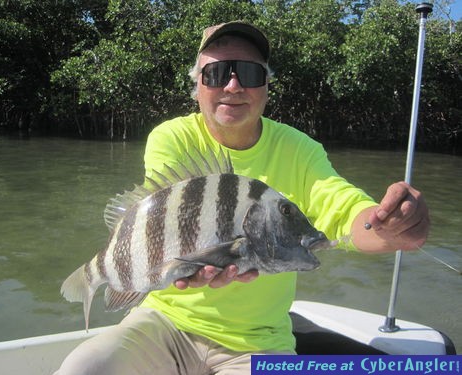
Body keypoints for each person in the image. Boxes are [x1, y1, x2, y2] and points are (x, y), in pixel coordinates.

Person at [54, 21, 429, 374]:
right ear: (197, 86)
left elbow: (346, 211)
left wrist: (391, 224)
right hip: (164, 321)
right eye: (216, 74)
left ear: (266, 86)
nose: (233, 86)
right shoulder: (172, 138)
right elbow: (156, 219)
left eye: (249, 74)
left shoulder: (299, 149)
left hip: (258, 342)